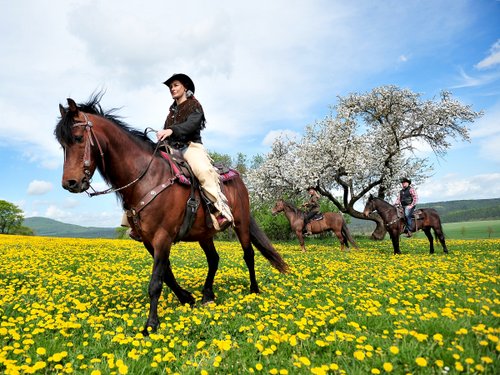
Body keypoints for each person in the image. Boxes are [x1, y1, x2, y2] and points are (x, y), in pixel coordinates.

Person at [157, 73, 233, 231]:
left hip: (190, 147)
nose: (172, 88)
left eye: (176, 85)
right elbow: (167, 132)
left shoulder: (194, 106)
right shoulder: (171, 112)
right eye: (171, 87)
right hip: (171, 149)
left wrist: (171, 130)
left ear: (185, 87)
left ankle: (220, 211)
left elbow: (191, 126)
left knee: (204, 171)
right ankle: (136, 220)